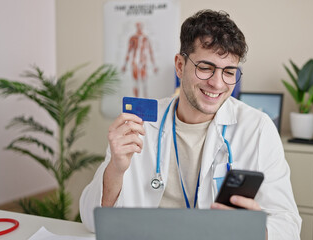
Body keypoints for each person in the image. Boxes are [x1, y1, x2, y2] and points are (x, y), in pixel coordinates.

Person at [80, 9, 301, 239]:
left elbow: (289, 224)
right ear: (179, 65)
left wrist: (257, 232)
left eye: (229, 72)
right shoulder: (140, 123)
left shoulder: (258, 128)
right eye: (205, 67)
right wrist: (115, 169)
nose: (217, 83)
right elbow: (91, 220)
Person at [122, 22, 158, 98]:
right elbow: (128, 51)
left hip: (143, 62)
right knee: (136, 83)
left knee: (144, 82)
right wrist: (125, 65)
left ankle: (145, 100)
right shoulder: (133, 38)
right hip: (135, 62)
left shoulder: (146, 38)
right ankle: (136, 101)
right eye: (138, 26)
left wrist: (154, 65)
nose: (139, 28)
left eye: (140, 26)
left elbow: (150, 51)